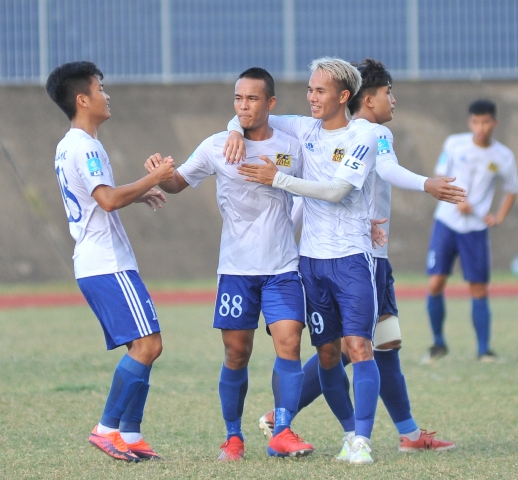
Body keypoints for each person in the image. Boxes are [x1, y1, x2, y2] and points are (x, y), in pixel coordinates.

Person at [252, 58, 461, 454]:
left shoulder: (359, 134)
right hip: (359, 258)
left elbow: (326, 189)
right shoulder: (375, 133)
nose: (392, 101)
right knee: (356, 346)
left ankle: (398, 433)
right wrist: (427, 184)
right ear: (365, 98)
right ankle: (286, 415)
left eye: (319, 90)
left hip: (363, 252)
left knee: (375, 344)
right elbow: (386, 170)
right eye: (387, 93)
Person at [145, 67, 315, 460]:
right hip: (236, 270)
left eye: (252, 98)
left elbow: (314, 189)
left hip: (282, 268)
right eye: (238, 98)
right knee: (237, 353)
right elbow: (177, 183)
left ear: (270, 103)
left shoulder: (291, 148)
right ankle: (233, 437)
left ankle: (283, 431)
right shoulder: (217, 146)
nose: (243, 106)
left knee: (290, 342)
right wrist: (159, 175)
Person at [226, 57, 383, 464]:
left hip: (351, 259)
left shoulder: (363, 135)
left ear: (343, 96)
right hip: (310, 263)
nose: (311, 97)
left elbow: (336, 191)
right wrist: (234, 131)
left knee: (358, 346)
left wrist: (277, 178)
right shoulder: (304, 128)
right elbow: (249, 115)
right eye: (310, 89)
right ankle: (349, 433)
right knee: (328, 354)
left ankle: (363, 441)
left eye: (320, 90)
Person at [45, 61, 175, 462]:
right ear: (83, 99)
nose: (106, 94)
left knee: (146, 345)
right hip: (106, 262)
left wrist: (137, 194)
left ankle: (131, 435)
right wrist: (153, 179)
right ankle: (107, 429)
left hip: (98, 262)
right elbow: (106, 200)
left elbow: (99, 199)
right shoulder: (85, 146)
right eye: (100, 88)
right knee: (149, 344)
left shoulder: (69, 144)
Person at [423, 99, 518, 363]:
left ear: (495, 123)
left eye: (486, 122)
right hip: (446, 223)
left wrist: (499, 216)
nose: (481, 127)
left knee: (478, 288)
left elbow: (512, 189)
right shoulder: (454, 144)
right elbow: (439, 177)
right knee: (435, 283)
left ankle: (484, 350)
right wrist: (457, 200)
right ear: (470, 122)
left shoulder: (503, 156)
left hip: (475, 229)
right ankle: (438, 344)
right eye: (476, 122)